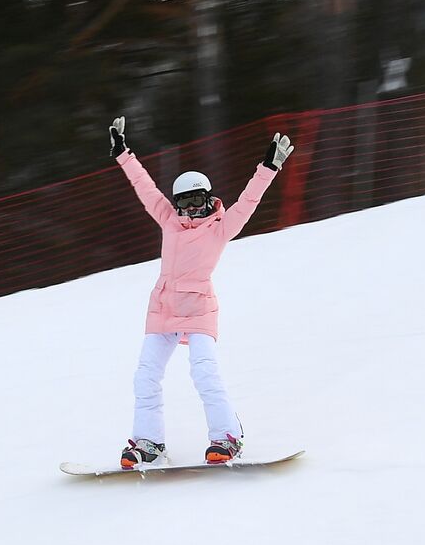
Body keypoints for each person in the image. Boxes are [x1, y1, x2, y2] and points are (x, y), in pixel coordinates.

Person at [108, 117, 294, 467]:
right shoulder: (169, 220)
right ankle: (148, 442)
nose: (190, 210)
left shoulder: (220, 228)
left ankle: (227, 437)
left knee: (204, 370)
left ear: (209, 200)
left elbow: (250, 200)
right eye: (184, 203)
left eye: (197, 201)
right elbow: (145, 187)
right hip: (163, 306)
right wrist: (123, 153)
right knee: (146, 375)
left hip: (198, 309)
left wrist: (268, 167)